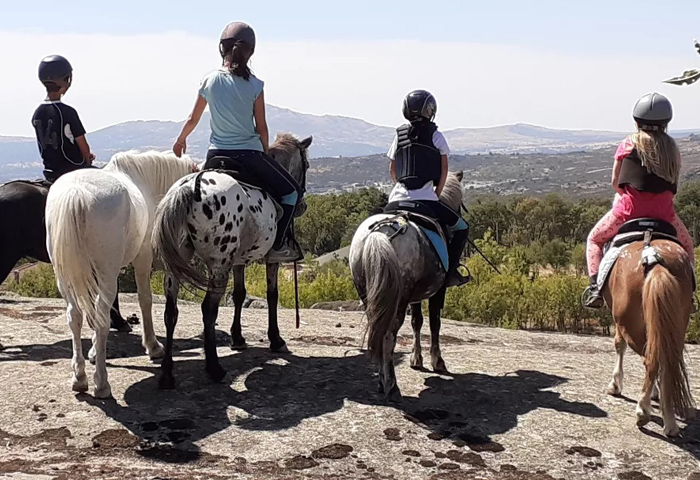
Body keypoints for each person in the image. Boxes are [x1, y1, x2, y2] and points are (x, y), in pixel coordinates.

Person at [173, 21, 303, 263]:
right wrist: (264, 150)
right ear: (250, 52)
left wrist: (181, 140)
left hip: (214, 156)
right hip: (249, 156)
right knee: (292, 193)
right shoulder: (255, 85)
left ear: (222, 49)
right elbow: (261, 127)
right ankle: (277, 245)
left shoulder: (209, 81)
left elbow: (193, 118)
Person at [584, 92, 695, 308]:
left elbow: (615, 182)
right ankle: (690, 296)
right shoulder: (672, 149)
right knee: (687, 248)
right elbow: (674, 185)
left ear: (637, 121)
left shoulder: (628, 144)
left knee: (595, 240)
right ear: (666, 122)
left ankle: (595, 288)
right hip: (665, 214)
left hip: (627, 211)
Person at [386, 89, 470, 288]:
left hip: (395, 200)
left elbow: (392, 168)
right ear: (430, 110)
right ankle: (451, 273)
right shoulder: (436, 136)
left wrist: (399, 188)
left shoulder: (399, 135)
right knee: (462, 228)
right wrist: (435, 195)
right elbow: (444, 171)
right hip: (425, 201)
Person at [32, 55, 95, 183]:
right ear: (67, 80)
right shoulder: (67, 112)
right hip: (73, 169)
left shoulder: (37, 112)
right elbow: (83, 147)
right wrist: (87, 157)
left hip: (50, 171)